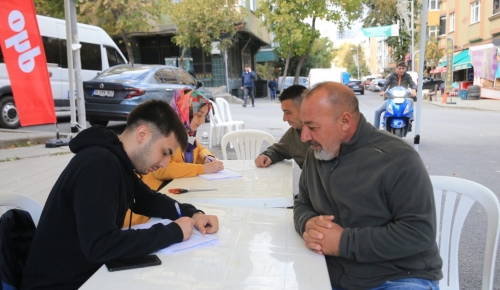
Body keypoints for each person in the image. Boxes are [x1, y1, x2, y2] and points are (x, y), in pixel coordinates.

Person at [22, 100, 219, 289]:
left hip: (89, 275)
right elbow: (101, 245)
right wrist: (172, 232)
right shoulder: (100, 166)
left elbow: (149, 200)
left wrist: (194, 213)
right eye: (165, 152)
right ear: (142, 134)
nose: (165, 163)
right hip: (63, 284)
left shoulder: (117, 162)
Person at [294, 82, 442, 290]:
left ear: (345, 121)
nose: (304, 137)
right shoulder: (315, 155)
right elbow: (302, 203)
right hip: (330, 274)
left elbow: (419, 233)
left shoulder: (397, 158)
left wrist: (343, 242)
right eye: (303, 127)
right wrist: (308, 224)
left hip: (398, 277)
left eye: (313, 127)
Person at [124, 88, 224, 227]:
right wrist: (201, 168)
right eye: (198, 115)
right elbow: (162, 171)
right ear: (185, 110)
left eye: (204, 116)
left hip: (166, 201)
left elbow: (198, 148)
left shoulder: (189, 134)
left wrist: (207, 157)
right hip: (147, 211)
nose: (202, 121)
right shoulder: (168, 134)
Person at [254, 85, 311, 169]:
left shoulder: (332, 132)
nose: (284, 119)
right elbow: (278, 150)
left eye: (288, 113)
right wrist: (267, 156)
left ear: (305, 109)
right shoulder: (294, 133)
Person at [375, 61, 417, 130]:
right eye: (399, 68)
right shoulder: (391, 76)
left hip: (404, 98)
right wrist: (382, 90)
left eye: (403, 68)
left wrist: (414, 90)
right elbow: (386, 84)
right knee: (377, 111)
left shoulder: (407, 76)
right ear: (396, 69)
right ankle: (375, 130)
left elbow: (412, 84)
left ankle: (410, 119)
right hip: (391, 98)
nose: (401, 70)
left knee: (411, 100)